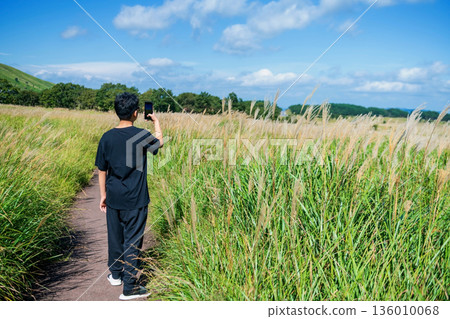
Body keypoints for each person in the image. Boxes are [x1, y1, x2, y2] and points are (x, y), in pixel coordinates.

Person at [95, 92, 163, 300]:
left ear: (117, 111)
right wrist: (157, 122)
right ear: (136, 113)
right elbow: (159, 143)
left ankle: (116, 275)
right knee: (132, 241)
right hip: (136, 199)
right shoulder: (141, 135)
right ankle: (130, 287)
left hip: (113, 197)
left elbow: (102, 170)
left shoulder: (106, 137)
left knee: (115, 237)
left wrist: (103, 195)